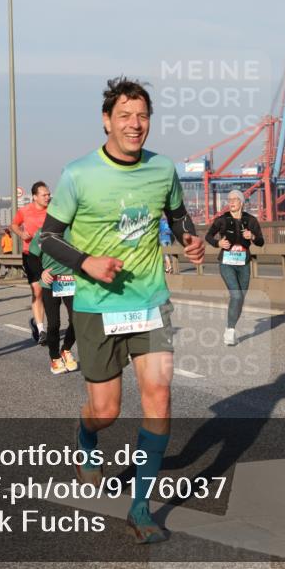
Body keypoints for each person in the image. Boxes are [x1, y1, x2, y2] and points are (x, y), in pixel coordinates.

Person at [39, 77, 205, 543]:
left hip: (150, 301)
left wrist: (191, 236)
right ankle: (86, 438)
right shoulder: (78, 174)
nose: (136, 125)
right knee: (106, 411)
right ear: (107, 120)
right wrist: (86, 261)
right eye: (126, 116)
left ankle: (141, 508)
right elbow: (46, 238)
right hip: (96, 307)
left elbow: (177, 214)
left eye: (143, 116)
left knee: (159, 394)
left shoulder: (163, 169)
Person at [204, 189, 265, 345]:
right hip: (226, 263)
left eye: (234, 199)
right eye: (229, 199)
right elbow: (208, 236)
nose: (231, 202)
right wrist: (218, 243)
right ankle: (230, 331)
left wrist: (251, 236)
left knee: (240, 299)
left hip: (244, 263)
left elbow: (260, 241)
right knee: (236, 295)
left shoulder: (251, 220)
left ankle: (229, 329)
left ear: (241, 202)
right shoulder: (222, 220)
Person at [30, 230, 78, 375]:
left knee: (77, 320)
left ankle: (66, 349)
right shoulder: (42, 232)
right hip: (50, 283)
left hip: (71, 281)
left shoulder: (75, 229)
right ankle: (55, 357)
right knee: (54, 323)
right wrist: (41, 273)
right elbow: (32, 257)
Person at [12, 181, 52, 345]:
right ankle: (41, 329)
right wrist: (22, 234)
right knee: (37, 290)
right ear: (35, 197)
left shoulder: (54, 210)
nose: (48, 197)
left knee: (50, 292)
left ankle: (50, 325)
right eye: (44, 195)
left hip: (50, 255)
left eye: (49, 194)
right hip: (31, 254)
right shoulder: (25, 210)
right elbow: (14, 224)